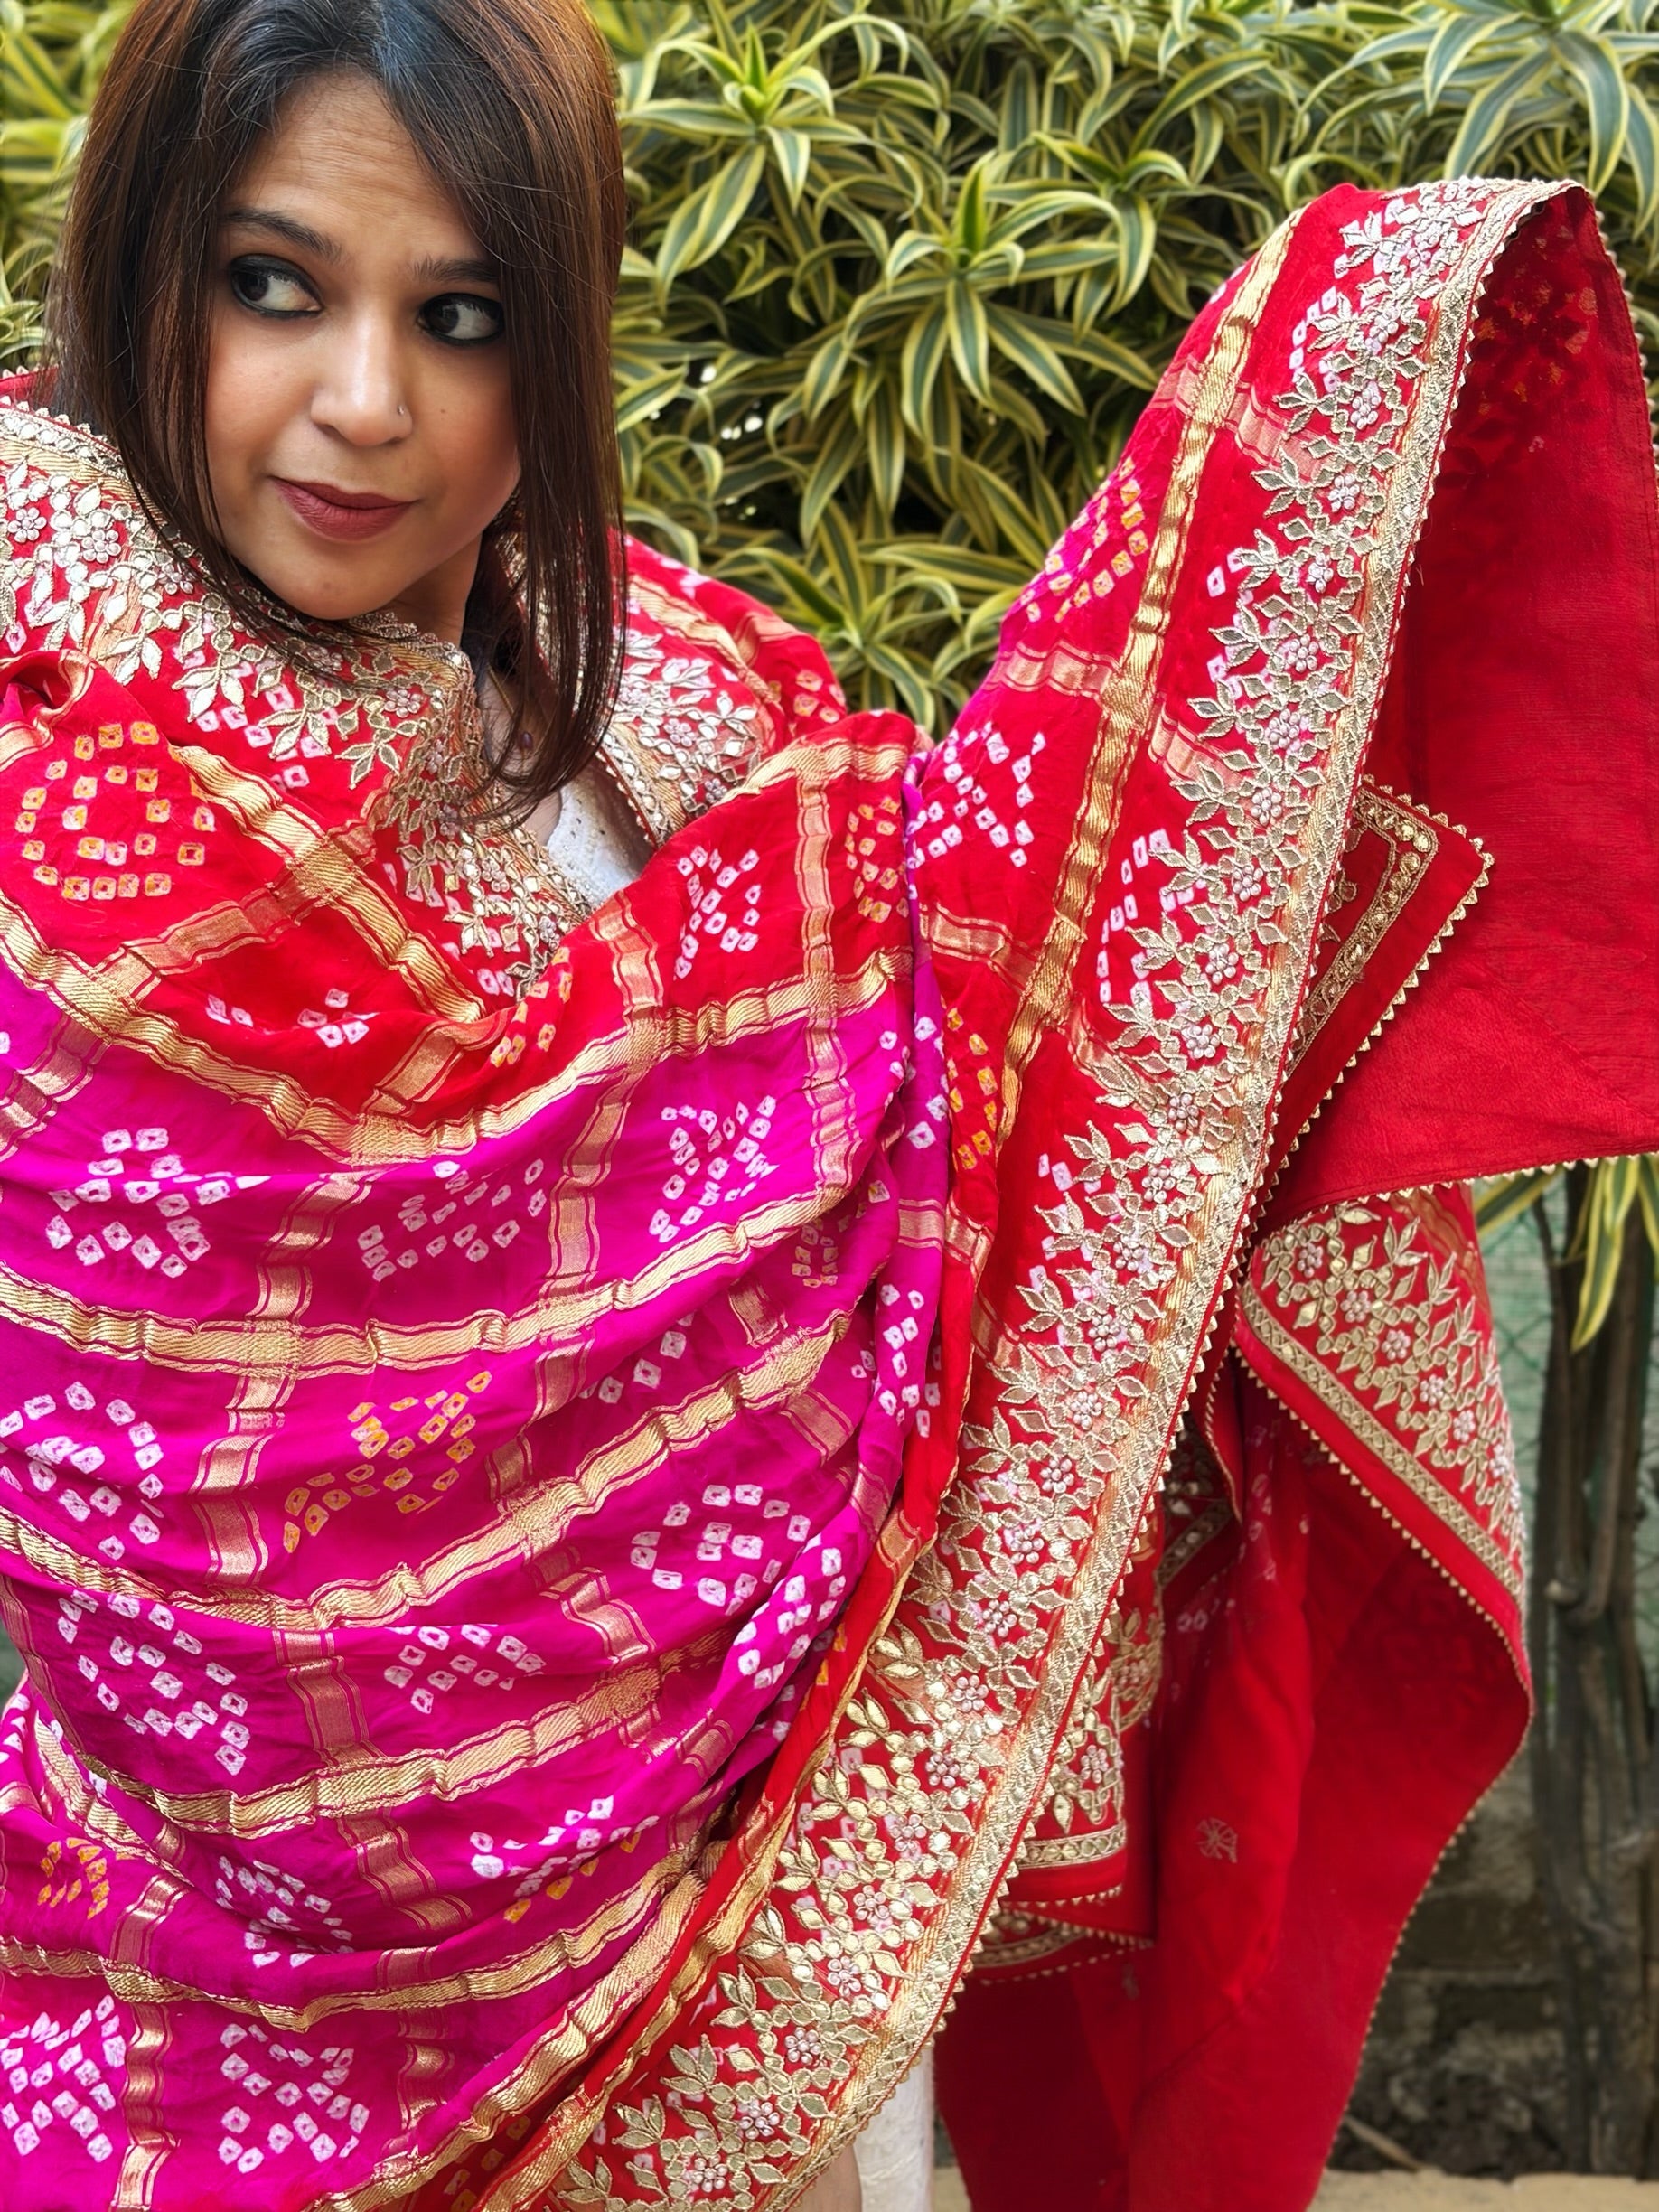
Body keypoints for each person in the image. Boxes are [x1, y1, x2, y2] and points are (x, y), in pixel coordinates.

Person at [0, 3, 1654, 2209]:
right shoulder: (60, 820)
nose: (366, 403)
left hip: (786, 2035)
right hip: (211, 2071)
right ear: (139, 266)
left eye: (465, 314)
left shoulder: (666, 715)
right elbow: (260, 1556)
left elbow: (968, 1085)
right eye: (271, 284)